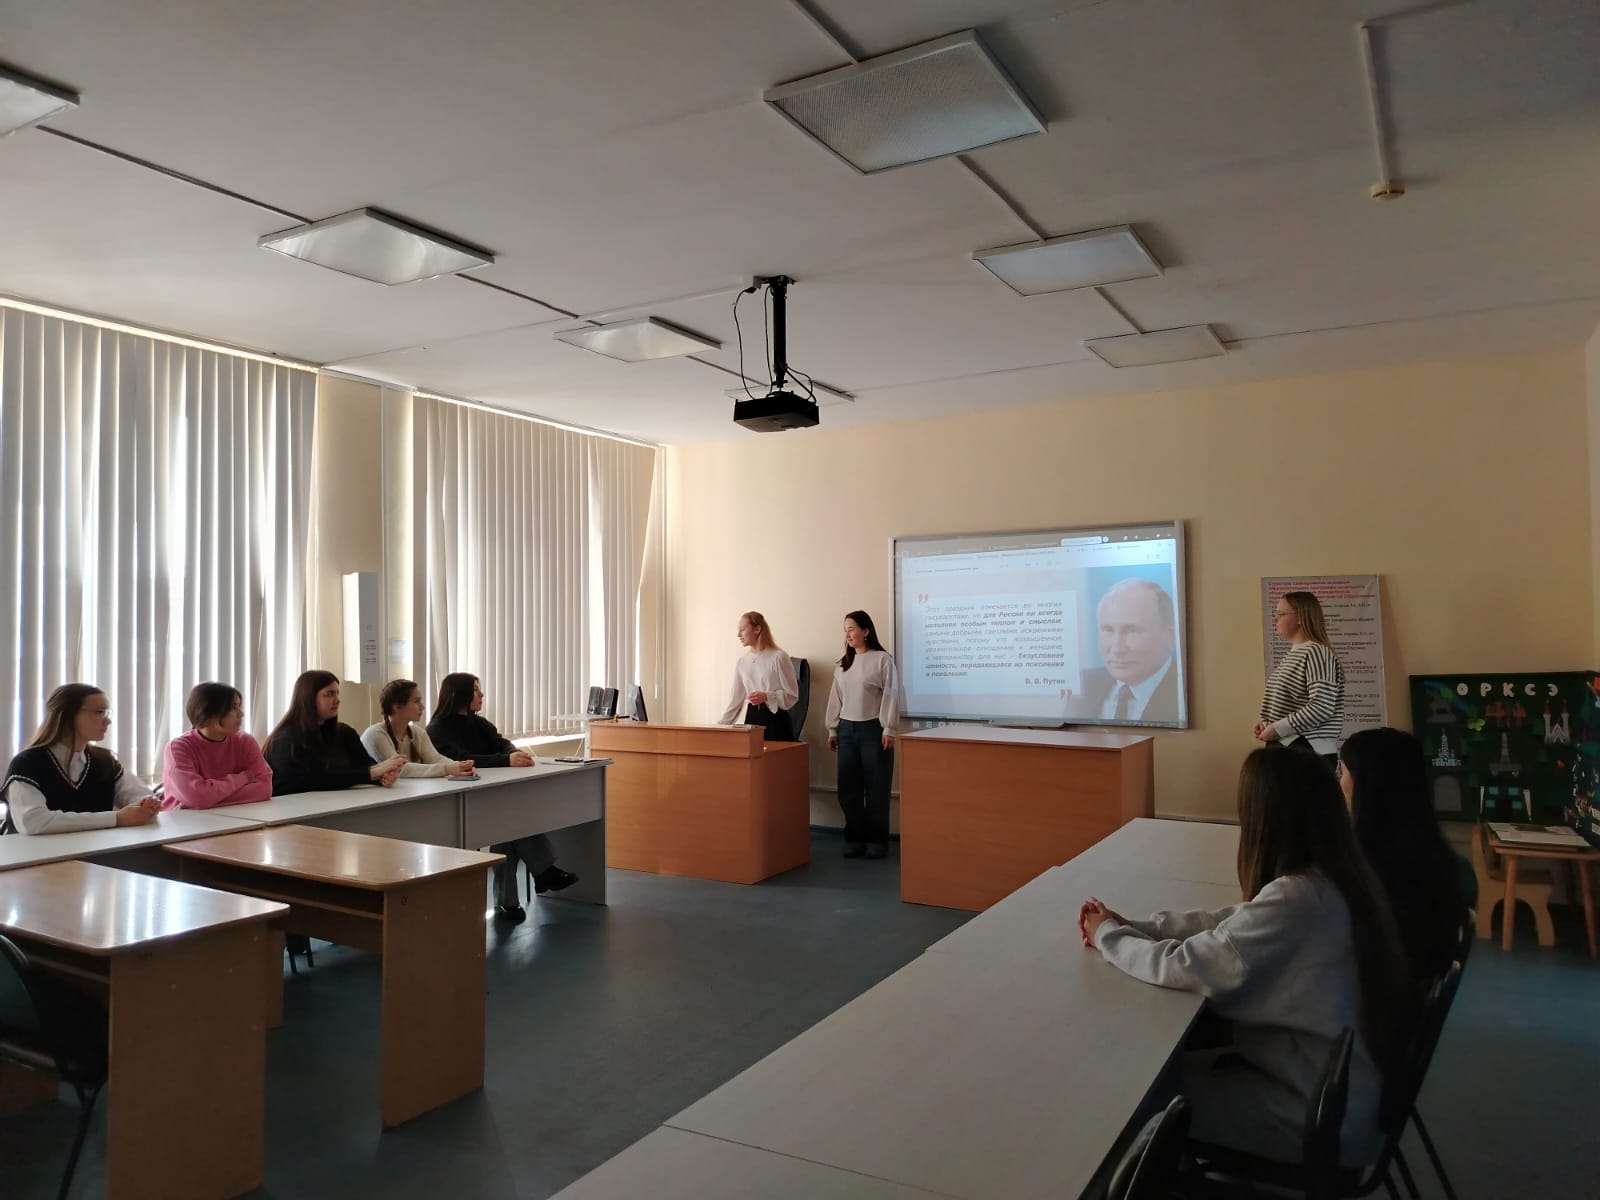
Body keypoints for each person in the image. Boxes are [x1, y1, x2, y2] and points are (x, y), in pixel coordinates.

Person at [1079, 748, 1412, 1166]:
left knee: (1134, 1098)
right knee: (1162, 1073)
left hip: (1316, 1118)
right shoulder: (1329, 879)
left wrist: (1109, 936)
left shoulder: (1297, 898)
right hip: (1331, 1094)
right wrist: (1140, 926)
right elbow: (1231, 922)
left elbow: (1187, 965)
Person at [426, 672, 578, 919]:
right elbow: (461, 759)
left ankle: (510, 899)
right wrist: (506, 760)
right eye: (476, 690)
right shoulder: (437, 730)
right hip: (461, 802)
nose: (481, 694)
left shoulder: (479, 723)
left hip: (492, 796)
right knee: (511, 819)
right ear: (460, 695)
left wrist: (514, 753)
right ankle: (542, 873)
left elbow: (501, 743)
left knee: (508, 824)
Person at [1339, 727, 1475, 992]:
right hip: (1400, 1004)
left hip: (1365, 1005)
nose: (1339, 782)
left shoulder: (1367, 871)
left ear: (1367, 784)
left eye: (1343, 772)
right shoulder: (1440, 859)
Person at [1, 683, 160, 834]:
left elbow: (139, 795)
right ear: (67, 716)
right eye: (99, 712)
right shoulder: (27, 764)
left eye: (106, 713)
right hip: (32, 853)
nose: (108, 721)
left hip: (93, 850)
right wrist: (116, 818)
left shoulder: (104, 761)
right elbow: (33, 821)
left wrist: (146, 804)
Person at [825, 610, 900, 860]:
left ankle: (877, 842)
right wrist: (832, 728)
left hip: (873, 730)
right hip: (847, 730)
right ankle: (855, 839)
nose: (847, 635)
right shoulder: (843, 664)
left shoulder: (882, 660)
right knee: (849, 789)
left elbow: (890, 694)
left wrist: (889, 728)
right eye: (845, 630)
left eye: (852, 629)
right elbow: (836, 698)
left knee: (876, 789)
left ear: (866, 631)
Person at [262, 670, 404, 796]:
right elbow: (315, 779)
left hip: (338, 805)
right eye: (329, 694)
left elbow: (365, 763)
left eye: (337, 693)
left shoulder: (344, 732)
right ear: (309, 698)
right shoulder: (284, 740)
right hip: (293, 811)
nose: (337, 700)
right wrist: (372, 773)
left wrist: (383, 776)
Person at [1069, 579, 1181, 723]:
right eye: (1108, 630)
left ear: (1168, 635)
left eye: (1132, 631)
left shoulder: (1188, 693)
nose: (1117, 649)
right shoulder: (1084, 685)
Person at [1257, 590, 1345, 767]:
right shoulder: (1294, 654)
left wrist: (1277, 728)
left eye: (1281, 614)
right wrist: (1267, 723)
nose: (1275, 619)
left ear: (1300, 617)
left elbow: (1322, 706)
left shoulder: (1316, 652)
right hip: (1289, 748)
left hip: (1306, 751)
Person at [161, 682, 274, 809]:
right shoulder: (178, 748)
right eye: (233, 707)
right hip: (183, 819)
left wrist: (209, 797)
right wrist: (244, 777)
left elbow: (264, 789)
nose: (241, 714)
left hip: (236, 815)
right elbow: (197, 797)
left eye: (239, 706)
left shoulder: (245, 742)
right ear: (208, 713)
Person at [362, 679, 476, 779]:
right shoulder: (376, 734)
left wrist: (461, 767)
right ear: (397, 706)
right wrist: (447, 769)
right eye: (416, 701)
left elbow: (435, 759)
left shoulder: (418, 732)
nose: (422, 707)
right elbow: (401, 769)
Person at [717, 611, 800, 741]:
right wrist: (719, 728)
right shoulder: (742, 662)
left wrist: (767, 696)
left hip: (776, 721)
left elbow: (792, 695)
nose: (738, 634)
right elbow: (735, 701)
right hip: (752, 720)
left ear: (757, 629)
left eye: (742, 629)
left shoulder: (779, 657)